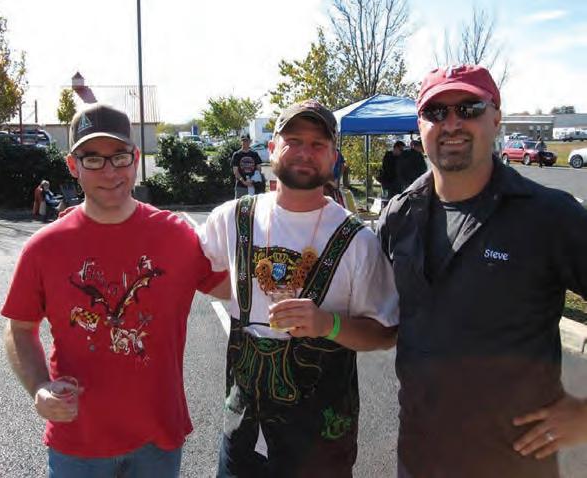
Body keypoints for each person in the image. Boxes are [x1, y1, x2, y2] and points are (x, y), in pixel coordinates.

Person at [376, 64, 587, 478]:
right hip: (418, 458)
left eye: (468, 108)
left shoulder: (549, 216)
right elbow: (378, 315)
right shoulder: (400, 216)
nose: (451, 123)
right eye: (436, 112)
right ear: (420, 126)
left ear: (496, 118)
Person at [1, 103, 229, 477]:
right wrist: (39, 386)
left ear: (135, 159)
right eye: (92, 159)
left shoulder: (177, 236)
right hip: (78, 441)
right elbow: (19, 328)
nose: (109, 172)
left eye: (119, 157)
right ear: (72, 165)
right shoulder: (44, 248)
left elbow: (236, 290)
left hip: (157, 437)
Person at [200, 99, 399, 477]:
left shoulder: (357, 240)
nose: (305, 152)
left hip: (320, 447)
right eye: (293, 140)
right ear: (272, 148)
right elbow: (185, 264)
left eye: (318, 144)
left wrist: (329, 324)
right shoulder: (232, 218)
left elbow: (386, 332)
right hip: (242, 436)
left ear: (334, 157)